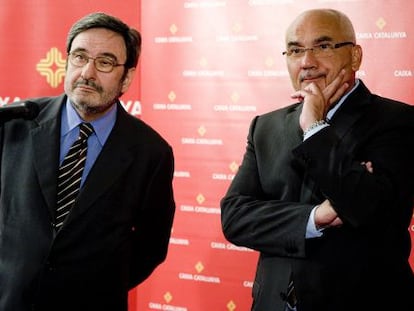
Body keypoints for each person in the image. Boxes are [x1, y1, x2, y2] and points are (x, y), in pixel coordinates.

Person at [221, 8, 414, 311]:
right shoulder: (265, 126)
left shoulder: (398, 121)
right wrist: (315, 218)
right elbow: (234, 218)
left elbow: (368, 208)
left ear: (355, 57)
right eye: (296, 50)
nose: (307, 62)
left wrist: (314, 127)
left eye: (323, 47)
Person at [0, 12, 175, 311]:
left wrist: (99, 283)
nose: (87, 73)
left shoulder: (151, 153)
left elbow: (151, 246)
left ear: (127, 77)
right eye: (80, 57)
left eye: (104, 62)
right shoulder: (14, 124)